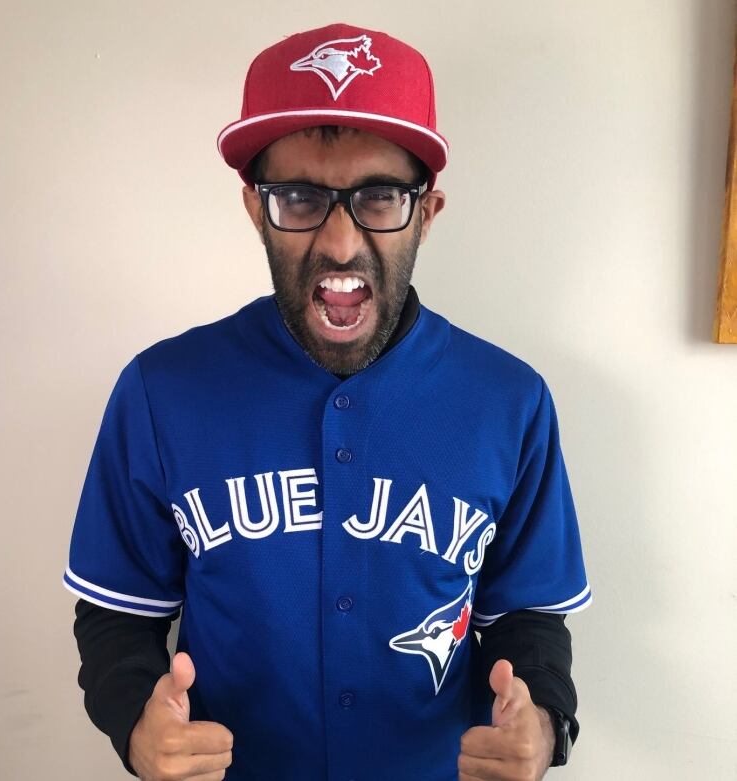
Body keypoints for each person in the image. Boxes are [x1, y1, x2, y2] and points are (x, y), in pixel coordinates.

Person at [63, 23, 591, 781]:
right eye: (301, 196)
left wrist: (542, 720)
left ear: (428, 211)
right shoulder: (162, 391)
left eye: (380, 196)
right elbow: (117, 615)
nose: (340, 243)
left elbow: (527, 616)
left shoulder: (509, 401)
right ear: (255, 207)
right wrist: (134, 728)